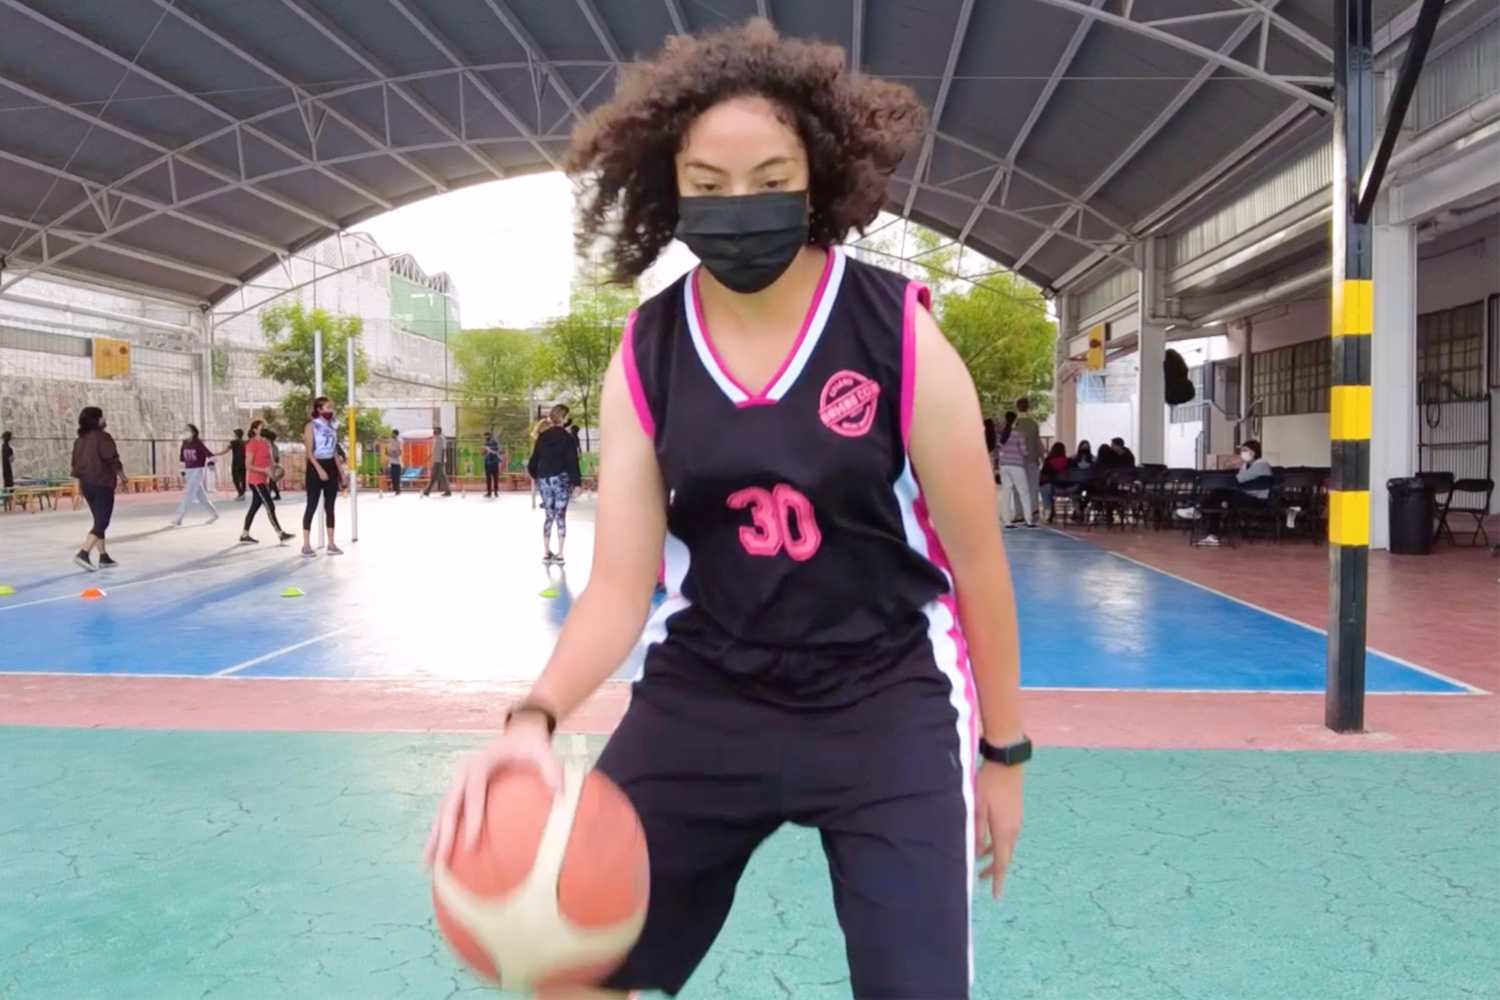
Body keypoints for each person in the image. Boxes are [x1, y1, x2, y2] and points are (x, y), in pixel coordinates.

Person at [427, 22, 1026, 1000]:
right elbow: (620, 584)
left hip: (884, 695)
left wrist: (1004, 753)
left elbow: (979, 564)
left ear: (818, 176)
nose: (739, 205)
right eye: (708, 184)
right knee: (567, 968)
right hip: (710, 690)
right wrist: (532, 716)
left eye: (769, 178)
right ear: (669, 189)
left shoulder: (900, 337)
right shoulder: (648, 352)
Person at [70, 406, 128, 571]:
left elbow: (75, 467)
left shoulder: (79, 441)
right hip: (102, 484)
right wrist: (123, 478)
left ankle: (103, 557)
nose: (104, 419)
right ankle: (83, 553)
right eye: (102, 416)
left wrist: (77, 490)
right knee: (103, 521)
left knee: (98, 521)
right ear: (97, 420)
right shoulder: (103, 437)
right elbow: (113, 460)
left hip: (87, 485)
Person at [527, 405, 581, 565]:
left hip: (544, 479)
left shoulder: (542, 437)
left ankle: (545, 553)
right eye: (567, 416)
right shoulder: (568, 438)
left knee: (549, 516)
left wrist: (537, 476)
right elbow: (572, 462)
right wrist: (577, 483)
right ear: (563, 418)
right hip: (560, 480)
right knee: (560, 516)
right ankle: (560, 554)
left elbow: (533, 461)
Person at [301, 396, 344, 556]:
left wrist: (341, 472)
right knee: (311, 504)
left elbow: (334, 451)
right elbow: (309, 452)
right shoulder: (311, 426)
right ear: (319, 409)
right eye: (327, 407)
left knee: (330, 506)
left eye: (331, 407)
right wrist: (319, 469)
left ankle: (331, 544)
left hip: (331, 466)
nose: (330, 410)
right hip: (315, 466)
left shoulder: (333, 426)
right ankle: (306, 545)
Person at [242, 427, 293, 544]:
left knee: (254, 507)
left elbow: (271, 464)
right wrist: (264, 470)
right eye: (266, 440)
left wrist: (278, 469)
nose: (267, 442)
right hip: (256, 481)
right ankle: (281, 534)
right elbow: (249, 466)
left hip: (263, 481)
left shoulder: (267, 446)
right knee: (270, 506)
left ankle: (244, 534)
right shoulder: (252, 445)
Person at [169, 423, 219, 526]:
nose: (185, 431)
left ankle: (178, 518)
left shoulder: (198, 443)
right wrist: (182, 471)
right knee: (202, 497)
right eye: (184, 429)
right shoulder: (184, 443)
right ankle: (214, 514)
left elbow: (210, 455)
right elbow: (182, 458)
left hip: (197, 471)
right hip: (188, 471)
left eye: (187, 429)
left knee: (188, 495)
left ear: (193, 432)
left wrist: (211, 463)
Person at [996, 411, 1035, 528]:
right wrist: (1028, 451)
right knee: (1024, 493)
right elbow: (1024, 452)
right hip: (1017, 466)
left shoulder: (1001, 435)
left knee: (1006, 493)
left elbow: (999, 451)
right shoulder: (1019, 435)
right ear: (1015, 421)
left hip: (1004, 466)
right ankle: (1028, 520)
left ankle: (1007, 522)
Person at [1014, 397, 1042, 515]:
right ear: (1028, 407)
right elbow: (1037, 443)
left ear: (1016, 407)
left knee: (1018, 488)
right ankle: (1033, 509)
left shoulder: (1014, 424)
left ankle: (1020, 512)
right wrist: (1041, 457)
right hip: (1032, 460)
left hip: (1017, 461)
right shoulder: (1034, 424)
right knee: (1033, 487)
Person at [1039, 442, 1070, 522]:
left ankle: (1048, 510)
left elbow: (1043, 476)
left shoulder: (1048, 461)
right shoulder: (1068, 461)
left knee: (1044, 488)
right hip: (1067, 489)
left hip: (1051, 487)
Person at [217, 428, 247, 500]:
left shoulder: (233, 442)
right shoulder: (245, 442)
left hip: (236, 463)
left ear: (236, 435)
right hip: (243, 463)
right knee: (243, 479)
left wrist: (215, 454)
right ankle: (242, 494)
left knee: (235, 479)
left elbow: (225, 451)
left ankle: (240, 493)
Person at [423, 425, 452, 497]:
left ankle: (427, 491)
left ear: (439, 431)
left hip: (439, 460)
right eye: (434, 430)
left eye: (435, 430)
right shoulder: (435, 438)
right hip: (435, 459)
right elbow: (434, 450)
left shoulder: (441, 438)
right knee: (439, 476)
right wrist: (429, 457)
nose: (434, 431)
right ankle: (447, 491)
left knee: (436, 476)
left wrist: (442, 459)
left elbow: (444, 449)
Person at [482, 431, 503, 498]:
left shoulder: (494, 443)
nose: (486, 438)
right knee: (488, 479)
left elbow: (496, 452)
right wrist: (483, 452)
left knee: (495, 478)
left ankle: (496, 492)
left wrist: (489, 449)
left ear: (490, 436)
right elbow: (483, 454)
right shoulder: (485, 443)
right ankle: (489, 493)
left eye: (487, 436)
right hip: (487, 463)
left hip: (494, 463)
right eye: (485, 436)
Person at [383, 429, 403, 495]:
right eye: (392, 433)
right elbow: (385, 441)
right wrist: (389, 452)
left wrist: (391, 453)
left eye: (393, 434)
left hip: (398, 463)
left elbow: (399, 453)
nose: (392, 435)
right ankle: (396, 490)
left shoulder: (399, 441)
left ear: (396, 435)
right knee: (393, 477)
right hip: (392, 463)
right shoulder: (390, 441)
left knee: (397, 478)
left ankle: (398, 490)